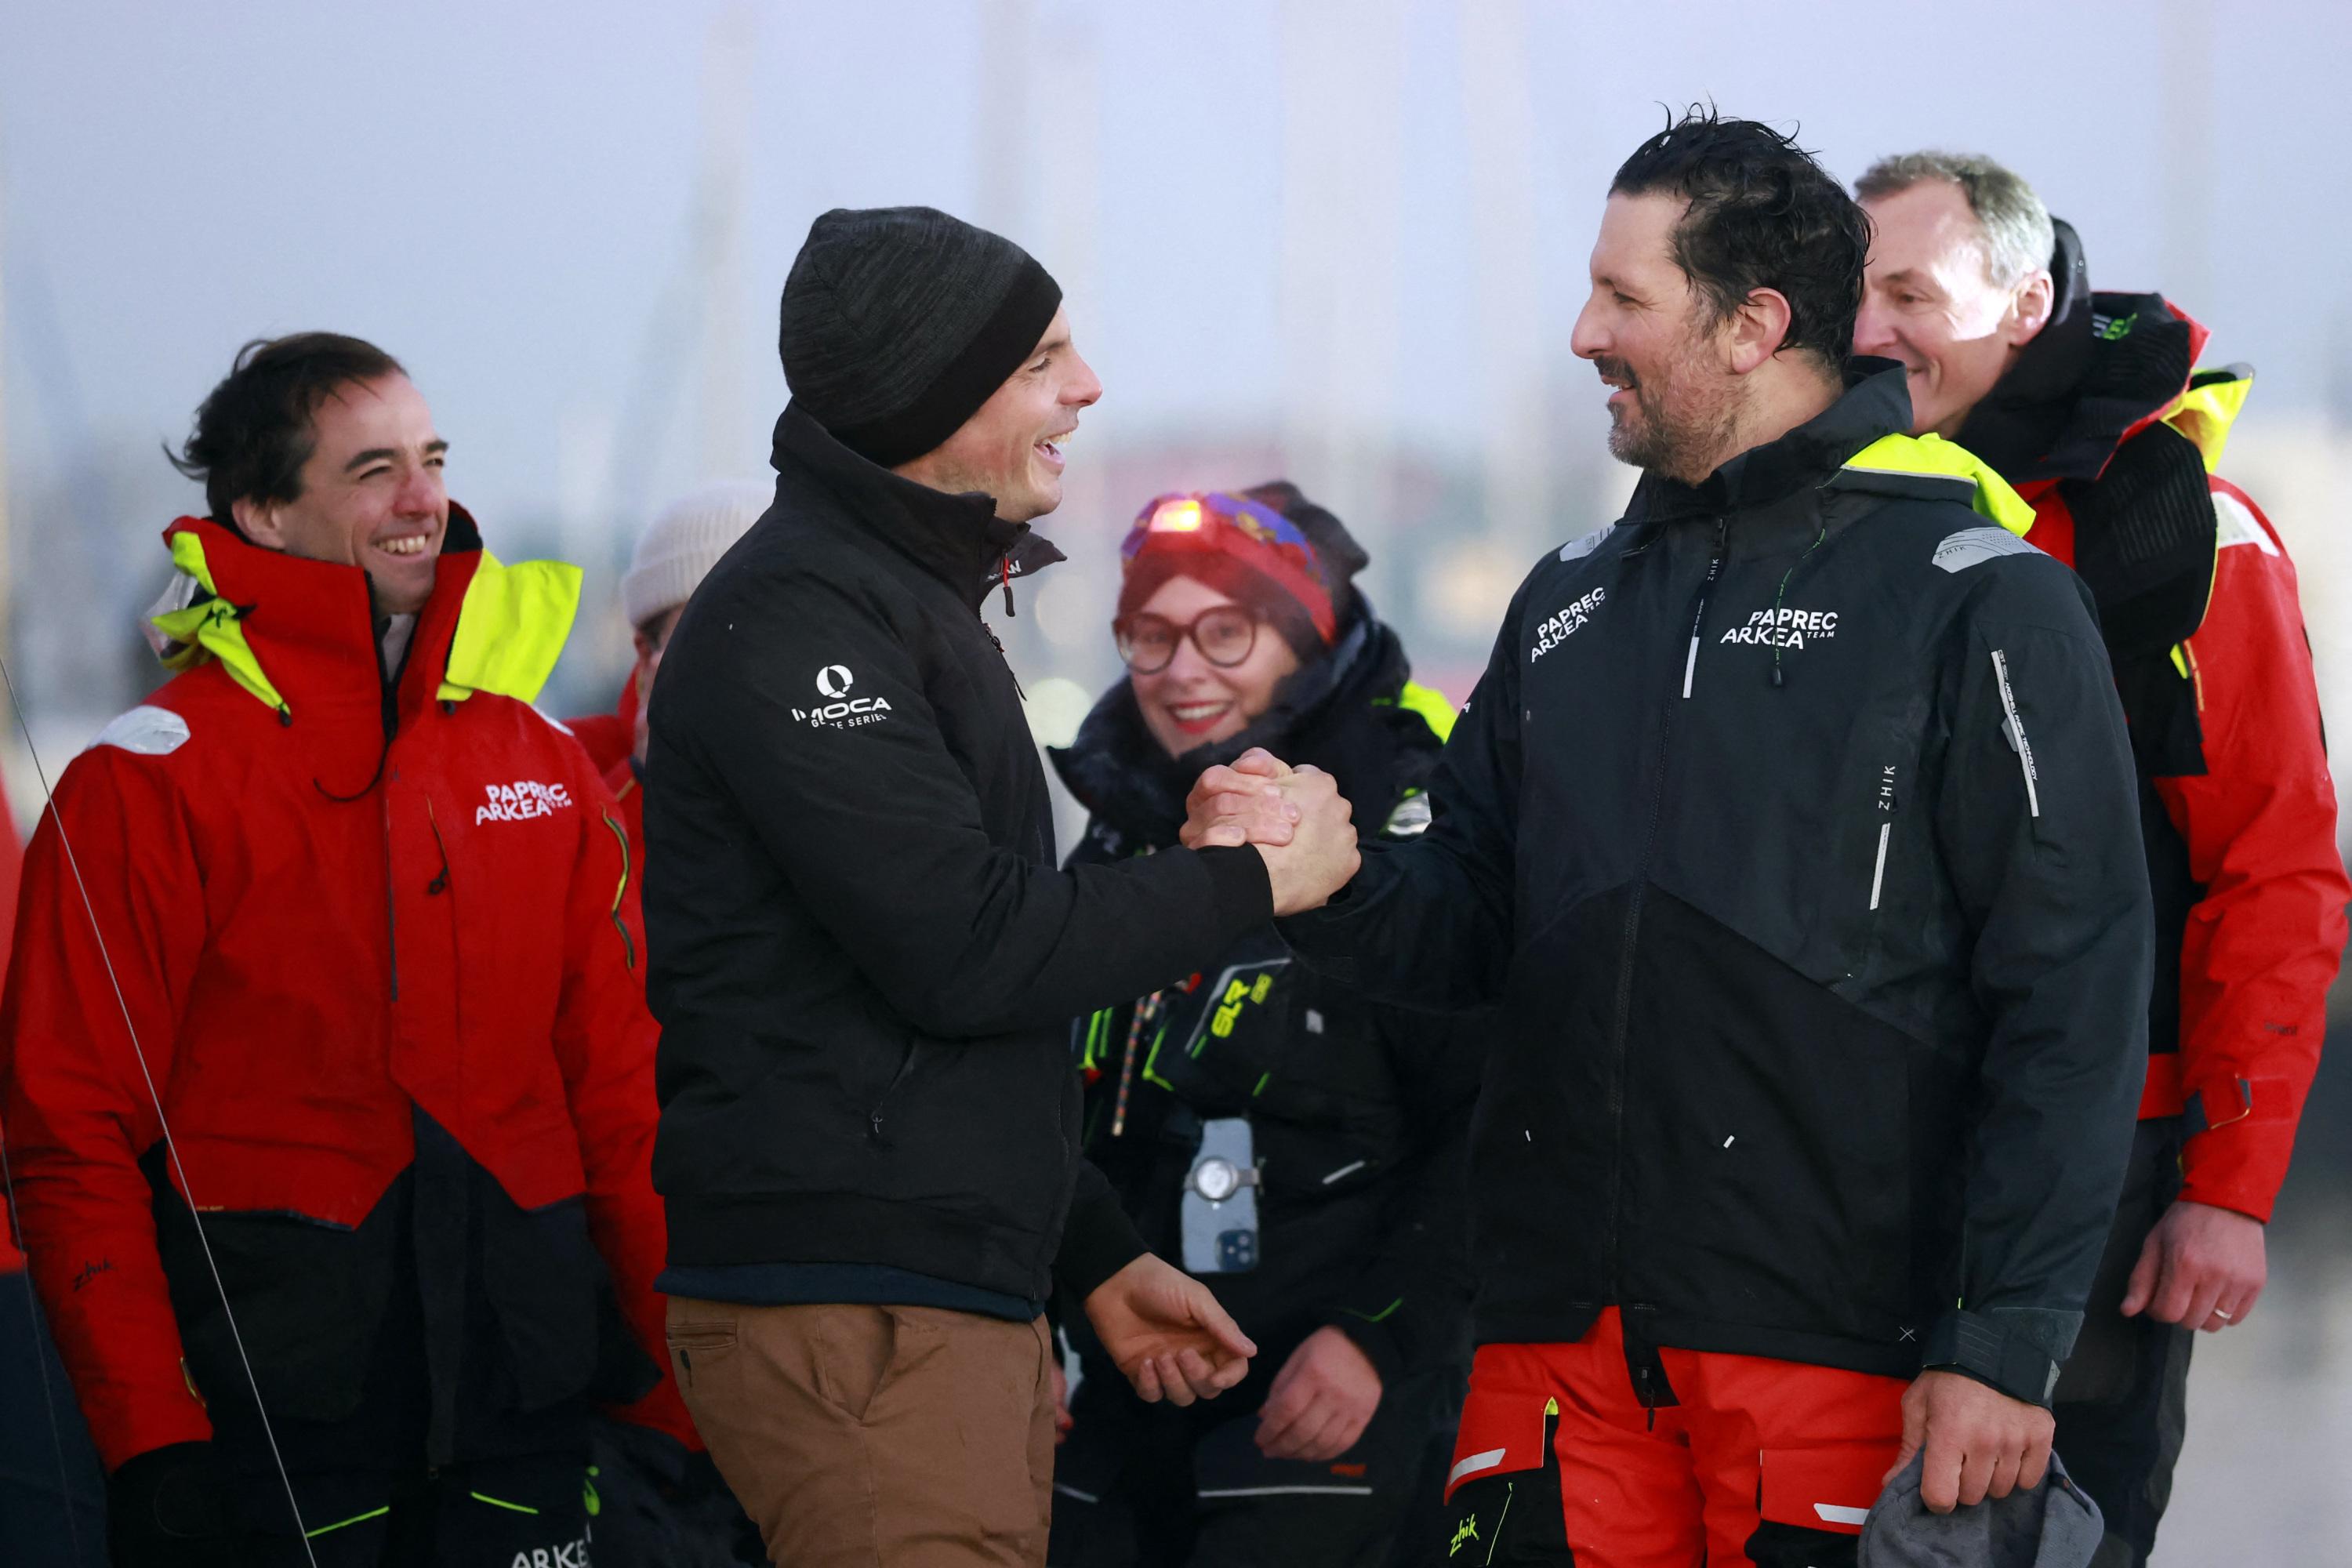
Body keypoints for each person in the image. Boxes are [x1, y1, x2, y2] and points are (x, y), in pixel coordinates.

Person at [1182, 109, 2154, 1564]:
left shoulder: (1976, 594)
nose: (1583, 334)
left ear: (1755, 325)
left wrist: (2005, 1343)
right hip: (1553, 1363)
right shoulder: (1565, 600)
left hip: (1839, 1353)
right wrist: (1330, 882)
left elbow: (2076, 997)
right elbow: (1470, 929)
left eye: (1624, 298)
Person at [644, 206, 1272, 1568]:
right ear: (934, 390)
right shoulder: (801, 614)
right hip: (858, 1315)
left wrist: (1088, 1254)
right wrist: (1245, 881)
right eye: (1046, 357)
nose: (1088, 386)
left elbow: (945, 1017)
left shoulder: (895, 596)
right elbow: (973, 952)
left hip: (918, 1301)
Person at [0, 333, 693, 1565]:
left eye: (433, 459)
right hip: (268, 1435)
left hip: (524, 1412)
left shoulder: (535, 765)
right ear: (263, 512)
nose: (426, 499)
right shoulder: (142, 784)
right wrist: (149, 1441)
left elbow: (620, 1099)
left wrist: (680, 1385)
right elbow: (69, 1136)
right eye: (374, 469)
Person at [1854, 151, 2350, 1566]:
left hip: (2105, 1165)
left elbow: (2280, 869)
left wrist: (2228, 1191)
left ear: (2023, 302)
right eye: (1855, 296)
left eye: (1911, 291)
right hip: (1841, 1153)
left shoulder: (2185, 543)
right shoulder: (1818, 525)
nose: (1875, 330)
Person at [1043, 484, 1480, 1567]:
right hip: (1125, 1379)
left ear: (1305, 638)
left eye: (1224, 632)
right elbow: (1031, 1102)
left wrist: (1381, 1339)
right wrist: (1037, 1313)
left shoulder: (1407, 828)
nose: (1184, 670)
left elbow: (1499, 1117)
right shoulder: (1119, 835)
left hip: (1334, 1392)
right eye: (1150, 636)